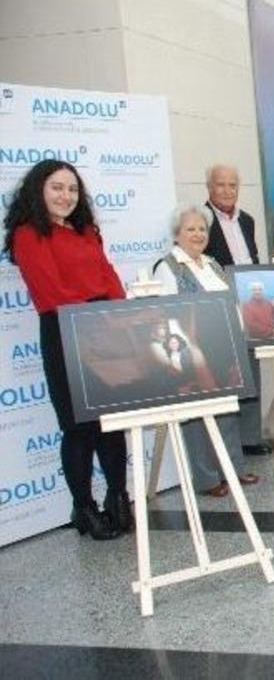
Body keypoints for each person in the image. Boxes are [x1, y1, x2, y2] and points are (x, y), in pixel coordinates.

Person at [3, 159, 130, 539]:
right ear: (39, 190)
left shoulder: (87, 230)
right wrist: (98, 304)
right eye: (57, 187)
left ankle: (118, 499)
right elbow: (52, 292)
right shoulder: (28, 234)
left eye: (72, 189)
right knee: (79, 429)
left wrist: (113, 308)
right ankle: (84, 508)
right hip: (63, 334)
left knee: (112, 426)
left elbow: (110, 278)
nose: (66, 195)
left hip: (104, 331)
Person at [152, 204, 260, 496]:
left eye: (202, 228)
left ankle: (232, 469)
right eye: (190, 229)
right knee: (196, 421)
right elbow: (167, 316)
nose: (198, 234)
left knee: (227, 413)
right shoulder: (167, 268)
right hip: (192, 355)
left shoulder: (211, 264)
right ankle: (206, 479)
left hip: (223, 349)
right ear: (177, 234)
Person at [201, 164, 270, 455]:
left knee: (252, 375)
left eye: (233, 185)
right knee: (228, 377)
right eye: (221, 185)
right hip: (220, 310)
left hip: (248, 308)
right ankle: (228, 447)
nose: (227, 191)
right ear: (209, 187)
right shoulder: (201, 220)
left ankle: (251, 438)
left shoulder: (248, 221)